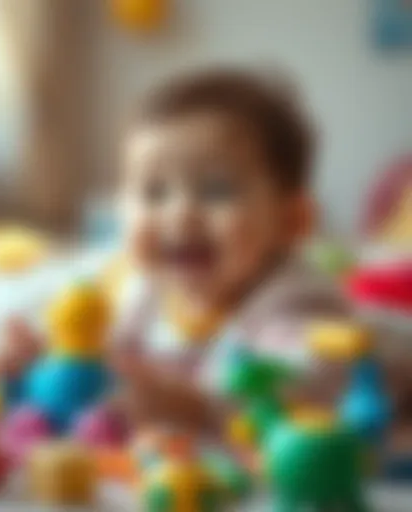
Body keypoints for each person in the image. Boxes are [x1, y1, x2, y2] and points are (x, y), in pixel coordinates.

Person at [107, 68, 351, 434]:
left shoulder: (294, 301)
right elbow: (101, 355)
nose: (180, 213)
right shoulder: (143, 290)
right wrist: (45, 358)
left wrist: (202, 407)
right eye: (154, 193)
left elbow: (310, 383)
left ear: (292, 221)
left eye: (216, 190)